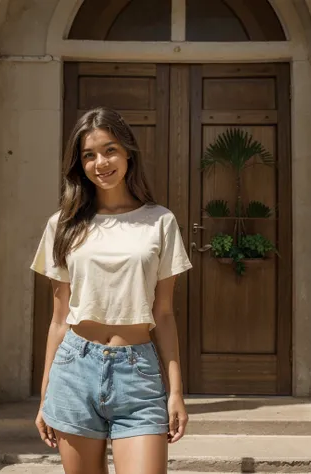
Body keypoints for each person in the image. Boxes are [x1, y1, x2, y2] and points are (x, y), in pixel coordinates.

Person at [30, 106, 193, 474]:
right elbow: (58, 320)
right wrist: (44, 397)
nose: (100, 162)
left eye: (110, 150)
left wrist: (176, 392)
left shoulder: (160, 221)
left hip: (137, 373)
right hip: (73, 370)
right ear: (79, 164)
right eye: (89, 155)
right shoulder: (63, 225)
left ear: (128, 153)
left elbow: (164, 314)